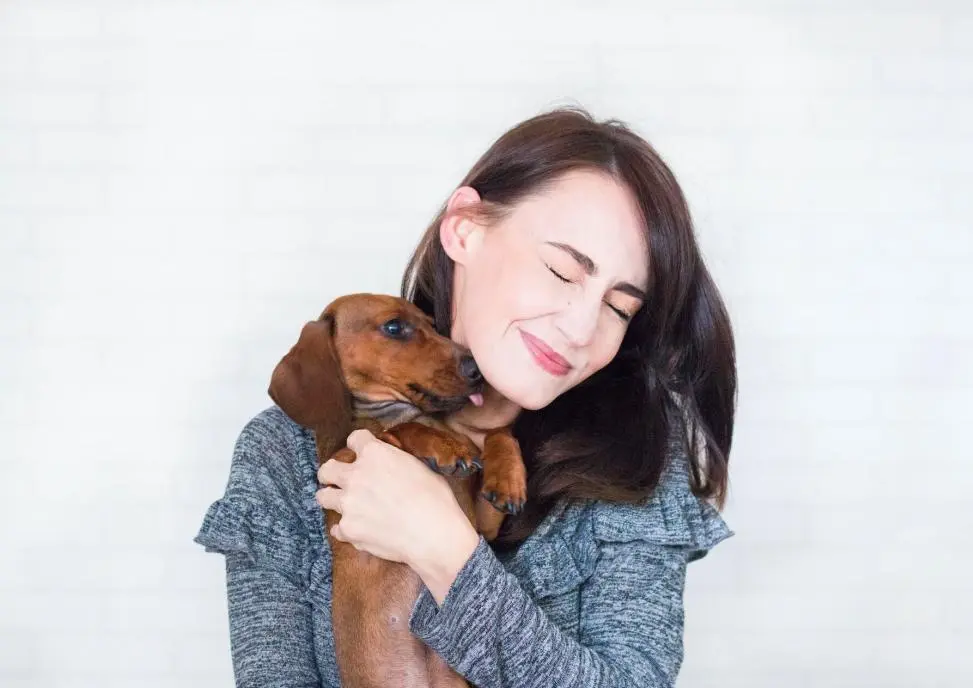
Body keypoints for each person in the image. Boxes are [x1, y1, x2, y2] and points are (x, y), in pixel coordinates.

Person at [194, 105, 736, 688]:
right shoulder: (281, 455)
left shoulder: (639, 459)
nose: (581, 328)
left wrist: (444, 548)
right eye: (561, 270)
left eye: (619, 307)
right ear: (465, 229)